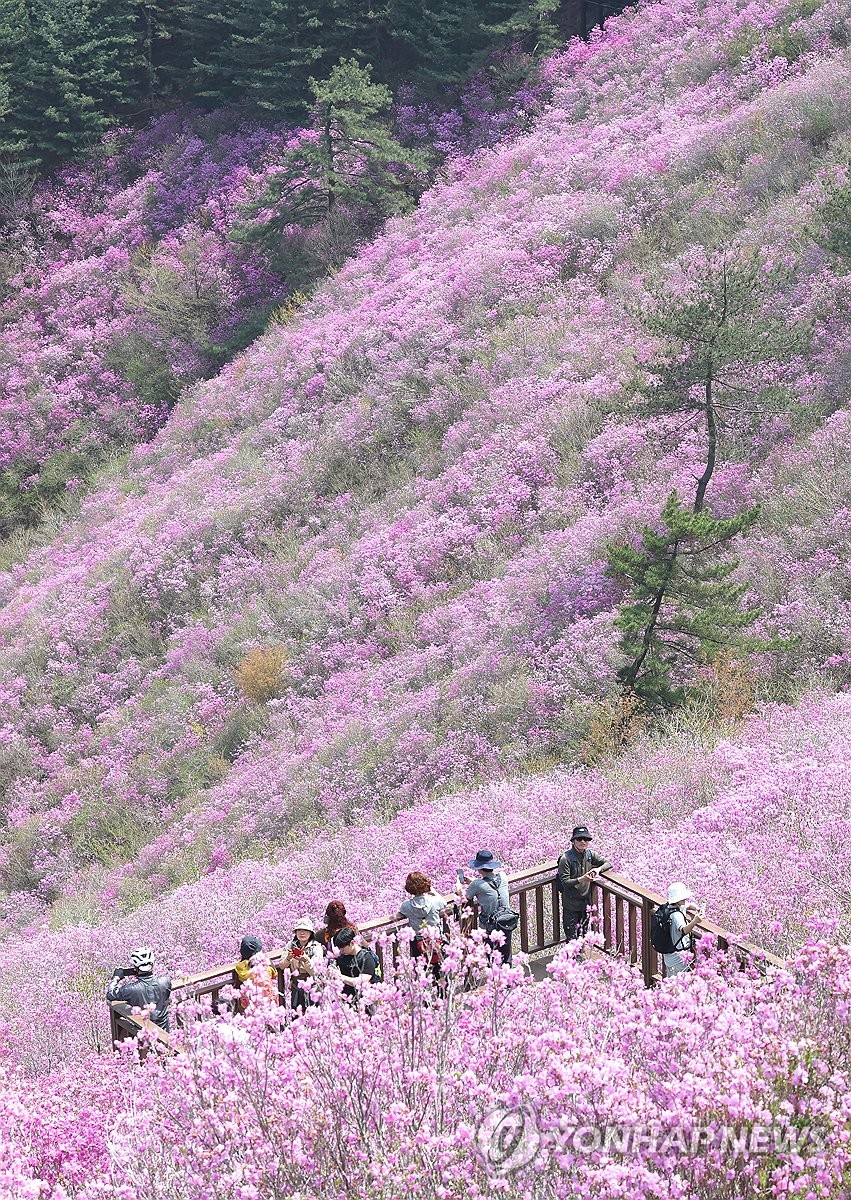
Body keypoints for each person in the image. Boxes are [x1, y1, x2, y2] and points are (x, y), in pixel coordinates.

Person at [557, 826, 612, 942]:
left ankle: (580, 958)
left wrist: (598, 870)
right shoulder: (565, 858)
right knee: (572, 939)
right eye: (579, 839)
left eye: (585, 839)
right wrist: (582, 879)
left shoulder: (590, 855)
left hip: (585, 904)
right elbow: (565, 882)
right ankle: (572, 960)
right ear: (573, 841)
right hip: (570, 905)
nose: (583, 842)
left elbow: (608, 863)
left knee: (583, 935)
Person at [464, 849, 514, 965]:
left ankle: (496, 979)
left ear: (479, 868)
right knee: (506, 953)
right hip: (507, 920)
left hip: (490, 924)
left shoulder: (476, 884)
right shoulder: (503, 876)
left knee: (492, 954)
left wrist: (459, 884)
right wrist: (474, 882)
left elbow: (465, 896)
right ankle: (508, 976)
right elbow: (489, 885)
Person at [106, 946, 171, 1032]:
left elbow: (110, 994)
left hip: (143, 1032)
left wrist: (116, 978)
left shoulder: (130, 989)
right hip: (164, 1030)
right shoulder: (165, 981)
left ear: (135, 968)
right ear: (152, 964)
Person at [398, 872, 447, 976]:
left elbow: (400, 914)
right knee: (440, 969)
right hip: (436, 938)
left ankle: (425, 990)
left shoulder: (406, 906)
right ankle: (442, 991)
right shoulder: (435, 900)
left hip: (418, 942)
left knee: (422, 970)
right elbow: (444, 903)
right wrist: (433, 891)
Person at [280, 917, 324, 1011]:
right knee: (297, 1015)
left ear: (310, 932)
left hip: (312, 986)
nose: (302, 933)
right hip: (296, 986)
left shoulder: (316, 947)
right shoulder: (290, 945)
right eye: (299, 930)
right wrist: (288, 958)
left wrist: (306, 960)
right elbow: (281, 965)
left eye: (305, 930)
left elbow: (316, 972)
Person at [661, 883, 705, 978]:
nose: (685, 900)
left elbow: (688, 905)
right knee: (678, 983)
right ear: (678, 900)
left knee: (671, 980)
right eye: (683, 898)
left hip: (669, 955)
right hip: (678, 958)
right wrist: (695, 921)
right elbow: (684, 930)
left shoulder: (668, 908)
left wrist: (696, 908)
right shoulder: (676, 915)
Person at [330, 927, 380, 1008]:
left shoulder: (366, 957)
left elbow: (362, 981)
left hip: (365, 1000)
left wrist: (341, 977)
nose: (340, 951)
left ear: (352, 943)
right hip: (347, 1000)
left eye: (342, 948)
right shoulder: (342, 957)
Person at [231, 935, 278, 1010]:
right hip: (268, 998)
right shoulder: (267, 964)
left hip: (251, 1001)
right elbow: (275, 974)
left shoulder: (242, 966)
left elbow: (243, 976)